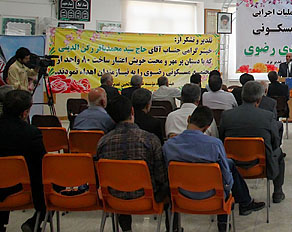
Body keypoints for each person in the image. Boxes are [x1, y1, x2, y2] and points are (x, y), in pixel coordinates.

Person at [162, 106, 265, 232]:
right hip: (214, 197)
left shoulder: (169, 145)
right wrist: (228, 189)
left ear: (188, 119)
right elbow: (227, 179)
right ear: (207, 127)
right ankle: (223, 223)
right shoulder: (214, 145)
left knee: (228, 166)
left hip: (180, 197)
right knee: (225, 174)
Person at [97, 96, 169, 232]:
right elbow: (160, 177)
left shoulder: (103, 142)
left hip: (114, 199)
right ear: (132, 111)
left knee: (120, 180)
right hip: (147, 199)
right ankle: (173, 228)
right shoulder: (150, 140)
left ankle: (126, 228)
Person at [219, 81, 286, 203]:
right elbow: (275, 142)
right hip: (261, 165)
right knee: (279, 154)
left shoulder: (227, 116)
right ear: (259, 99)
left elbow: (221, 139)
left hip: (232, 166)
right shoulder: (267, 117)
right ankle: (277, 192)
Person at [0, 90, 46, 232]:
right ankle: (34, 222)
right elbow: (42, 163)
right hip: (22, 189)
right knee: (48, 180)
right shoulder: (31, 133)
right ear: (25, 113)